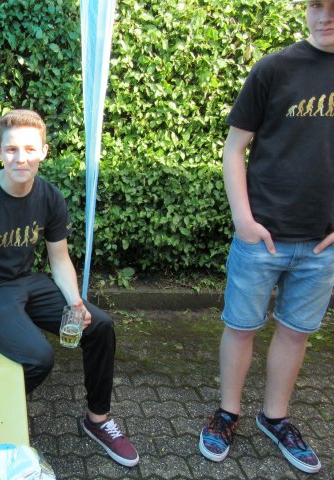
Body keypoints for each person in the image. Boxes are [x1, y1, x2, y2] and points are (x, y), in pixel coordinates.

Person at [0, 109, 139, 467]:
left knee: (100, 325)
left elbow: (59, 258)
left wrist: (76, 303)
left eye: (30, 149)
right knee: (39, 357)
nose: (21, 158)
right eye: (11, 149)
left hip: (28, 282)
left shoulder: (50, 196)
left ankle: (97, 419)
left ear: (44, 152)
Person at [199, 0, 334, 474]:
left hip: (323, 246)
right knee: (241, 327)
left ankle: (275, 418)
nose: (324, 15)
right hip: (262, 237)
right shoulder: (275, 69)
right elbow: (234, 147)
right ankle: (227, 413)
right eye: (316, 5)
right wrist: (243, 220)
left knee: (295, 334)